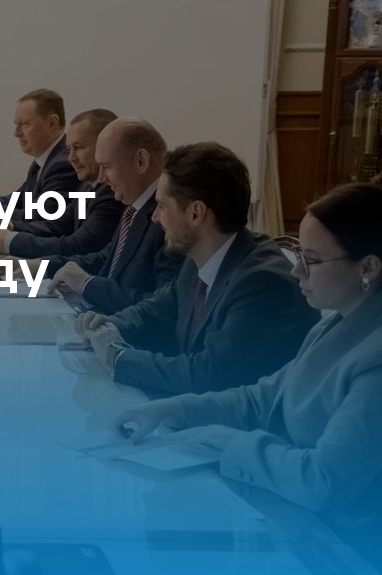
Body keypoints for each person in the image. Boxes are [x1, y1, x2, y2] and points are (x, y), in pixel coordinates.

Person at [111, 183, 382, 565]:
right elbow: (263, 398)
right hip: (288, 512)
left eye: (311, 260)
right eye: (298, 255)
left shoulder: (375, 359)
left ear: (368, 267)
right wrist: (175, 409)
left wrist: (228, 443)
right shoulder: (335, 323)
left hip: (337, 548)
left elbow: (323, 481)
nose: (296, 270)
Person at [78, 142, 319, 396]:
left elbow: (207, 374)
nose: (155, 217)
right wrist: (112, 325)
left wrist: (117, 357)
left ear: (196, 213)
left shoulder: (263, 284)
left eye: (162, 206)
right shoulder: (202, 257)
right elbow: (159, 308)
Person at [46, 118, 182, 314]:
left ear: (141, 161)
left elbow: (162, 307)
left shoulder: (168, 220)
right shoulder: (134, 207)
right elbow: (105, 259)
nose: (101, 178)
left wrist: (88, 285)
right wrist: (40, 267)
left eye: (107, 166)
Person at [0, 109, 122, 257]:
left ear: (104, 148)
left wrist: (9, 240)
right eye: (69, 149)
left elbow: (76, 247)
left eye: (79, 147)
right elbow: (57, 226)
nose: (71, 158)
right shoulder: (87, 185)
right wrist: (11, 226)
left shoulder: (111, 193)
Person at [0, 89, 82, 237]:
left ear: (52, 123)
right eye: (16, 125)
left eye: (24, 124)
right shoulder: (43, 161)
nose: (16, 133)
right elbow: (18, 200)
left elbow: (39, 216)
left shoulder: (64, 163)